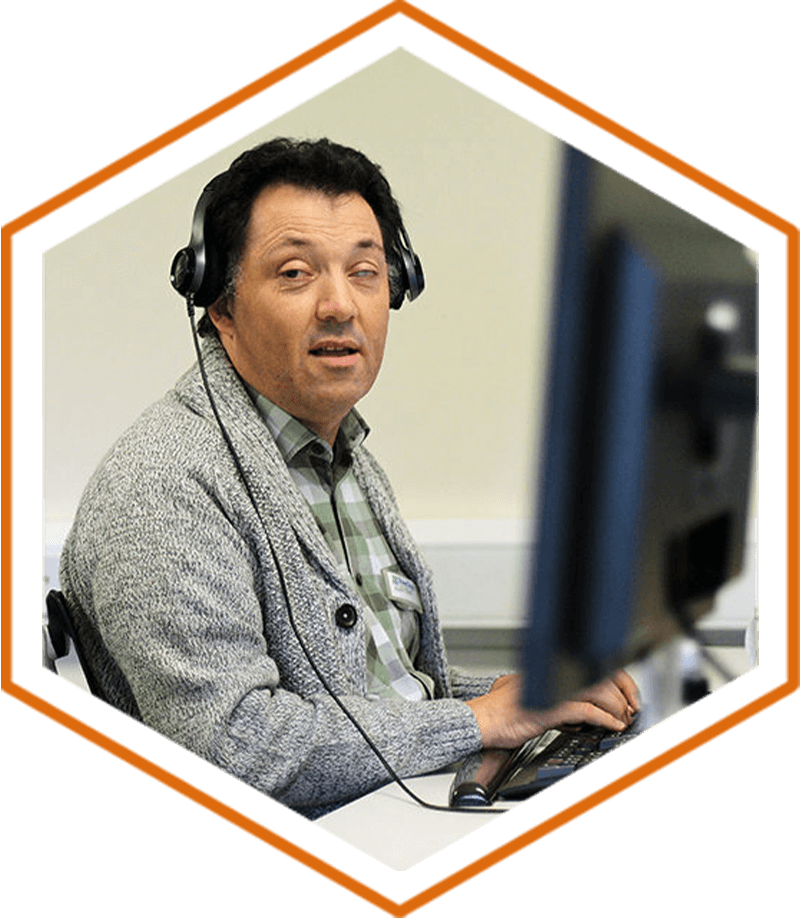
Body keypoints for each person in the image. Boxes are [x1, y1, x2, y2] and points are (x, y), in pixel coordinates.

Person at [59, 138, 639, 820]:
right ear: (220, 305)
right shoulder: (164, 485)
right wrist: (478, 720)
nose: (340, 305)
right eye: (297, 273)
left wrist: (541, 696)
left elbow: (394, 699)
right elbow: (232, 751)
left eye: (365, 271)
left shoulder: (346, 458)